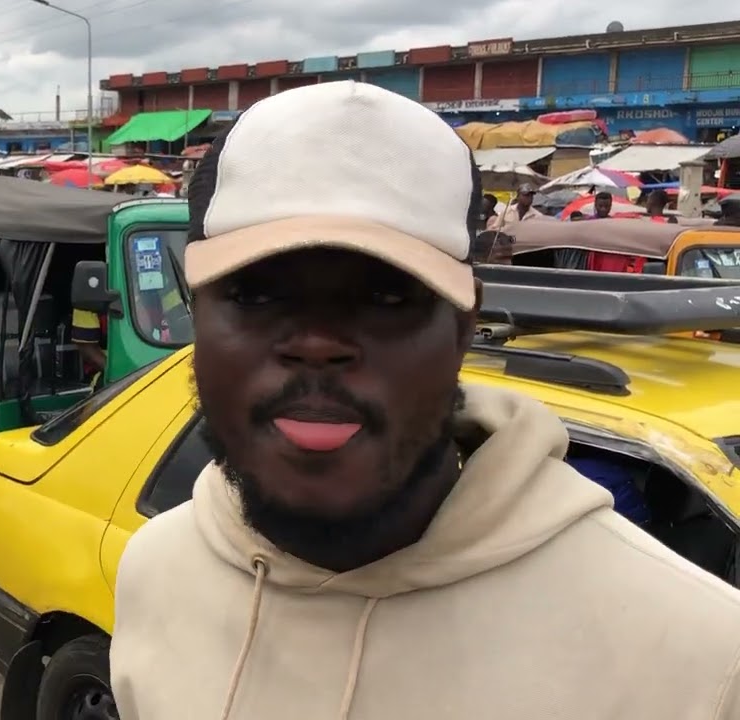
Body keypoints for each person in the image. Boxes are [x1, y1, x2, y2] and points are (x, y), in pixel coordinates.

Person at [110, 81, 740, 720]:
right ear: (196, 316)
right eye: (253, 294)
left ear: (465, 327)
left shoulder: (700, 660)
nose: (318, 344)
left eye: (388, 297)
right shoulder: (157, 569)